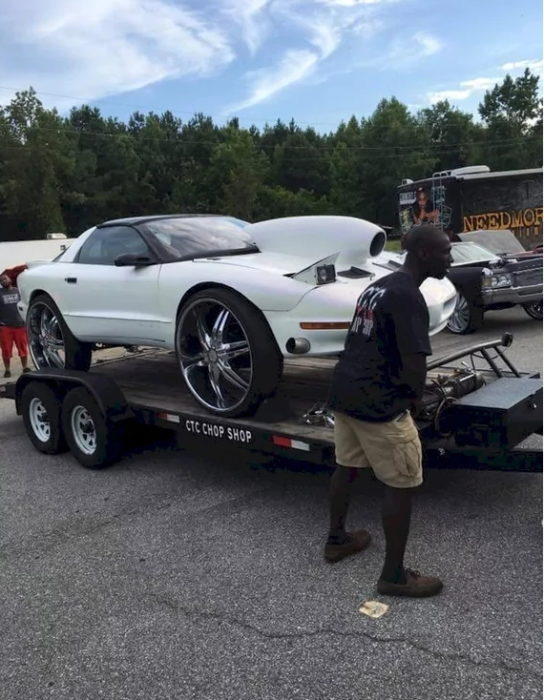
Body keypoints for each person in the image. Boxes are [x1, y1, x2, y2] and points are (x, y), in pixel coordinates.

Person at [325, 224, 452, 598]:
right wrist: (415, 403)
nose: (449, 257)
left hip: (346, 394)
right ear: (425, 254)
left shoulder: (379, 286)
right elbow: (415, 364)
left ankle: (337, 540)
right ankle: (393, 576)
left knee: (346, 467)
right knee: (401, 482)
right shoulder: (408, 296)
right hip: (379, 405)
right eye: (445, 251)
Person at [0, 273, 31, 378]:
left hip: (20, 325)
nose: (3, 281)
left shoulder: (18, 291)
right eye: (1, 280)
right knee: (6, 350)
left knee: (23, 348)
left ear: (10, 279)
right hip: (5, 327)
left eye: (5, 279)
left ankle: (25, 367)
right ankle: (7, 370)